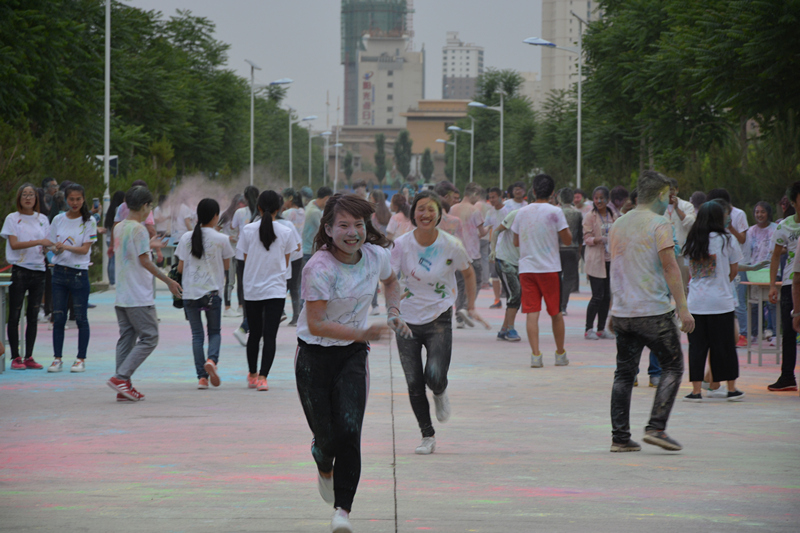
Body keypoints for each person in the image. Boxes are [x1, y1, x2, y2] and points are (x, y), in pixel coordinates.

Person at [294, 194, 406, 532]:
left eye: (358, 225)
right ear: (328, 229)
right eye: (343, 225)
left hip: (352, 357)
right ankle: (322, 460)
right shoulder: (318, 268)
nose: (353, 232)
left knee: (350, 431)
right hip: (313, 358)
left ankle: (342, 510)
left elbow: (391, 282)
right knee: (326, 439)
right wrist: (363, 332)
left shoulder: (375, 256)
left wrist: (393, 311)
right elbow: (316, 324)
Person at [608, 170, 695, 453]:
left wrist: (612, 309)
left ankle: (620, 438)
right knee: (673, 365)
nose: (670, 202)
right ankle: (656, 428)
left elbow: (617, 269)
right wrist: (683, 309)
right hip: (653, 312)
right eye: (668, 196)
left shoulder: (618, 223)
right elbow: (670, 266)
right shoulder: (660, 223)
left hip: (624, 313)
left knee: (624, 374)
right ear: (660, 195)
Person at [392, 190, 485, 454]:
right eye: (420, 209)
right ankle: (427, 436)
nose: (425, 214)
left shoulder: (451, 244)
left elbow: (468, 273)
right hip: (406, 319)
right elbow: (389, 278)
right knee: (414, 382)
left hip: (439, 317)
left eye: (431, 209)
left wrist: (470, 306)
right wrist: (391, 306)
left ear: (439, 214)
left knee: (434, 375)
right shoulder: (401, 245)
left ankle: (440, 390)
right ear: (413, 214)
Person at [107, 186, 182, 401]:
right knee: (150, 337)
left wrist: (149, 244)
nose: (150, 210)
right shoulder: (139, 229)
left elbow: (131, 251)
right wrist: (169, 280)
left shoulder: (119, 227)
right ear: (144, 206)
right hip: (138, 296)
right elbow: (145, 261)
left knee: (127, 338)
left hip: (123, 296)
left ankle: (123, 387)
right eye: (150, 206)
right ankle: (121, 377)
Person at [682, 201, 745, 402]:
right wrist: (721, 284)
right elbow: (734, 270)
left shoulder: (692, 240)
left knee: (697, 348)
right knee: (724, 347)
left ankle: (696, 391)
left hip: (696, 303)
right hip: (721, 303)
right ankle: (731, 389)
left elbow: (690, 272)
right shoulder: (727, 239)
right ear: (719, 218)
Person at [239, 191, 299, 390]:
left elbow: (245, 259)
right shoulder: (286, 231)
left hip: (252, 289)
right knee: (270, 336)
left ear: (258, 208)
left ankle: (252, 374)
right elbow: (286, 261)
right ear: (279, 209)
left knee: (254, 334)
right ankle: (263, 378)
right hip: (276, 290)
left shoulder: (248, 230)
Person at [511, 174, 572, 367]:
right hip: (549, 268)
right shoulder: (555, 212)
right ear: (553, 192)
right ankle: (560, 354)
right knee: (555, 312)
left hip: (527, 268)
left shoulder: (521, 212)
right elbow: (567, 240)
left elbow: (515, 241)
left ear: (533, 191)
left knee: (532, 312)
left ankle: (535, 356)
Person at [176, 199, 234, 389]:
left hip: (190, 293)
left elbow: (180, 268)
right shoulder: (222, 238)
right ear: (216, 216)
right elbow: (227, 266)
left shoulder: (186, 237)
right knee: (214, 332)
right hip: (212, 293)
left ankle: (202, 378)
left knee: (197, 336)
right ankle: (212, 360)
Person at [46, 183, 97, 373]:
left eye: (78, 199)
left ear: (83, 199)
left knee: (81, 318)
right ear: (66, 200)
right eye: (71, 199)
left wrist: (66, 247)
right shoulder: (58, 219)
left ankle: (80, 359)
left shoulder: (89, 221)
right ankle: (57, 359)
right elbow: (51, 245)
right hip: (59, 272)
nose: (75, 203)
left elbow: (84, 249)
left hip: (79, 273)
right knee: (59, 317)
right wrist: (56, 249)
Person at [2, 183, 52, 370]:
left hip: (39, 270)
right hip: (20, 269)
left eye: (31, 194)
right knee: (15, 313)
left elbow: (47, 244)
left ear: (36, 198)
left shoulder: (43, 219)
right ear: (19, 198)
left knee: (33, 314)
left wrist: (49, 247)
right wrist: (39, 241)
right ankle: (15, 357)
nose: (28, 198)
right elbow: (14, 244)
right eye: (25, 194)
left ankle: (29, 355)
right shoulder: (12, 218)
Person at [767, 182, 800, 392]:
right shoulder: (785, 226)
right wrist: (773, 285)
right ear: (794, 201)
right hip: (791, 283)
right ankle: (787, 375)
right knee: (789, 331)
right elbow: (775, 256)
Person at [450, 183, 488, 328]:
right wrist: (489, 227)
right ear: (474, 194)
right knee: (476, 282)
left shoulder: (453, 208)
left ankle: (459, 318)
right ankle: (466, 308)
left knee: (460, 285)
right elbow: (482, 233)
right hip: (472, 253)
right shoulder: (475, 211)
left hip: (457, 252)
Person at [583, 186, 617, 340]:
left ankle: (601, 329)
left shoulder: (613, 215)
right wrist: (599, 239)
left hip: (611, 260)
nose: (599, 201)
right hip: (596, 261)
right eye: (596, 198)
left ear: (607, 200)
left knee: (606, 297)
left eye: (602, 198)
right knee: (597, 296)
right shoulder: (590, 216)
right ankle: (588, 329)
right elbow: (587, 239)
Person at [741, 202, 777, 341]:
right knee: (755, 304)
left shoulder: (775, 228)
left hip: (771, 270)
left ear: (768, 213)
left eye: (762, 212)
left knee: (771, 303)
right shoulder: (751, 231)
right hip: (755, 271)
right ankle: (755, 332)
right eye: (757, 212)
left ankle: (773, 332)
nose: (759, 215)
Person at [491, 202, 523, 342]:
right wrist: (493, 250)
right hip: (505, 260)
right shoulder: (515, 215)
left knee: (516, 296)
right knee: (515, 294)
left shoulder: (539, 219)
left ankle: (503, 330)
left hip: (520, 262)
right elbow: (496, 231)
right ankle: (510, 329)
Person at [231, 186, 259, 346]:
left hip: (241, 254)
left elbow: (233, 226)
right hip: (255, 255)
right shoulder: (261, 213)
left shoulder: (240, 212)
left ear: (245, 198)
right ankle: (252, 327)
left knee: (243, 287)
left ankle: (245, 318)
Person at [218, 193, 245, 317]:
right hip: (229, 251)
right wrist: (227, 237)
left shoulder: (244, 215)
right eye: (241, 204)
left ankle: (241, 306)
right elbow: (216, 230)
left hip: (240, 251)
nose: (242, 207)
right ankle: (227, 307)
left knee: (241, 280)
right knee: (230, 280)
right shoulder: (226, 215)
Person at [485, 187, 512, 309]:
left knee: (507, 274)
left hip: (506, 248)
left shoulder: (507, 211)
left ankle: (512, 298)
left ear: (500, 197)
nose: (491, 200)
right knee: (494, 275)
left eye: (494, 197)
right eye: (490, 197)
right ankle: (497, 300)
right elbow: (486, 227)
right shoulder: (490, 212)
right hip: (494, 248)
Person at [557, 188, 582, 315]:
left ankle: (556, 305)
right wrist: (580, 251)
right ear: (572, 198)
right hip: (572, 248)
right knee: (568, 279)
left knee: (557, 277)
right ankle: (563, 306)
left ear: (560, 198)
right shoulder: (577, 213)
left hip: (557, 249)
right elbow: (580, 234)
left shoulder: (556, 212)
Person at [302, 186, 333, 265]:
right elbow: (326, 231)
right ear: (326, 198)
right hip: (309, 251)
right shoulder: (315, 212)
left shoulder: (312, 203)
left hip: (305, 249)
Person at [104, 190, 125, 287]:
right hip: (116, 238)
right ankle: (114, 281)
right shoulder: (119, 209)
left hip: (108, 238)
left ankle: (111, 281)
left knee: (111, 260)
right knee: (116, 260)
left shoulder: (110, 209)